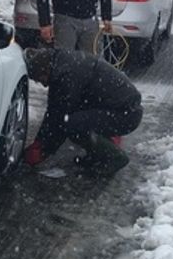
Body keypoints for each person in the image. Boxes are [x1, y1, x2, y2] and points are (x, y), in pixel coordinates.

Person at [22, 47, 143, 175]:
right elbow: (53, 110)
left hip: (125, 115)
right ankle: (98, 156)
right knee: (76, 121)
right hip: (118, 109)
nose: (43, 85)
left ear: (45, 70)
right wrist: (39, 141)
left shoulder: (68, 76)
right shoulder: (61, 66)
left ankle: (114, 158)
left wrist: (44, 150)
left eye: (40, 79)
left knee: (73, 125)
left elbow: (60, 118)